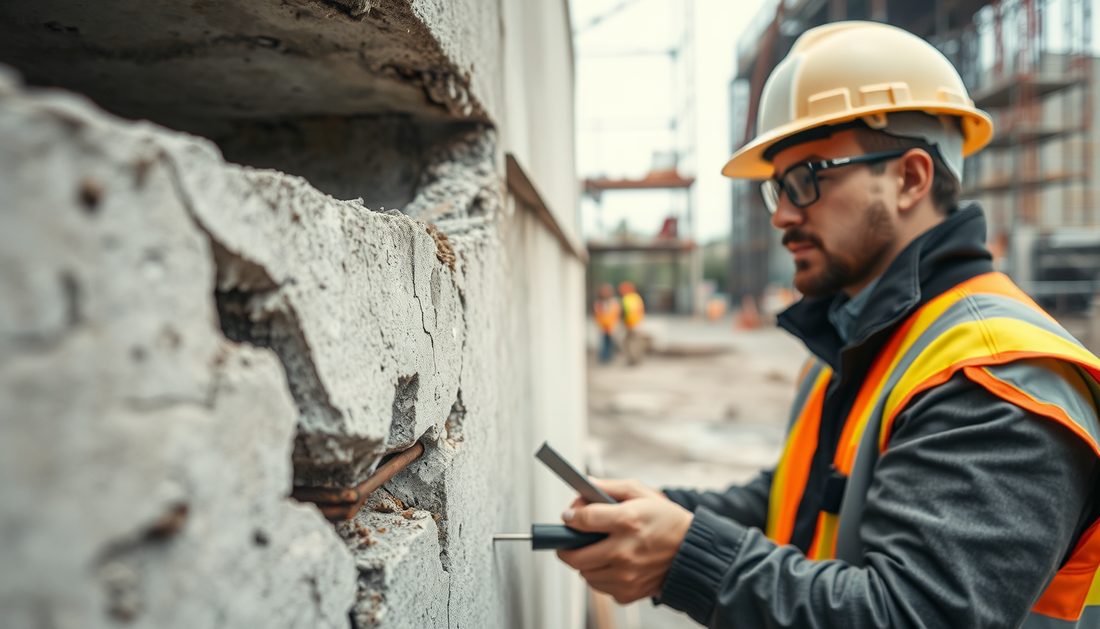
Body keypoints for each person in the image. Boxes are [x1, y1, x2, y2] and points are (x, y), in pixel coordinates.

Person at [555, 21, 1100, 628]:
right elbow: (801, 502)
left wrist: (688, 556)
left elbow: (913, 614)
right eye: (776, 188)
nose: (783, 213)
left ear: (910, 178)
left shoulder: (997, 374)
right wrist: (658, 514)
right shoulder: (869, 342)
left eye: (807, 177)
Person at [594, 283, 622, 364]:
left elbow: (616, 313)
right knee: (604, 343)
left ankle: (609, 357)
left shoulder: (613, 302)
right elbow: (598, 314)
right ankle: (604, 358)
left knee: (611, 343)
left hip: (612, 326)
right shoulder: (599, 302)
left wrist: (614, 324)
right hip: (603, 326)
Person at [618, 281, 645, 365]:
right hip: (637, 323)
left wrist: (622, 321)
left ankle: (633, 360)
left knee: (628, 343)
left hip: (630, 324)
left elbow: (625, 312)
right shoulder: (637, 297)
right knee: (635, 342)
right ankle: (636, 358)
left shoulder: (626, 298)